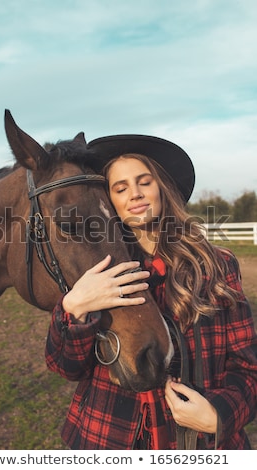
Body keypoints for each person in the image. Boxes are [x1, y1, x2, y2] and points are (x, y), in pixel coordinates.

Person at [45, 134, 257, 450]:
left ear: (161, 188)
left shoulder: (217, 264)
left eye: (144, 182)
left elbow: (247, 367)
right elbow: (67, 367)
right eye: (120, 188)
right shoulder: (98, 270)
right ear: (109, 201)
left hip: (199, 443)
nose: (135, 194)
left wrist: (219, 414)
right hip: (105, 438)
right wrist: (73, 308)